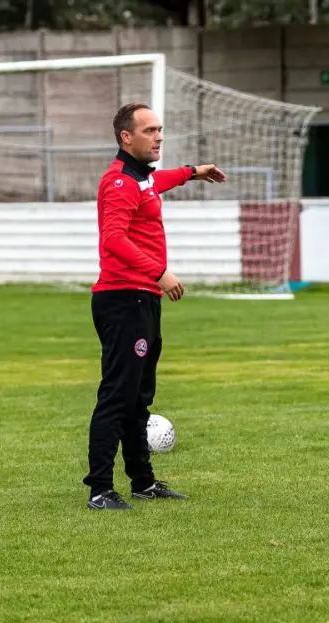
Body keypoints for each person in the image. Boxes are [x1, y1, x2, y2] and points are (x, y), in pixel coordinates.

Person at [85, 102, 226, 510]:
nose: (159, 136)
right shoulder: (119, 183)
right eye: (150, 130)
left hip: (142, 298)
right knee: (117, 394)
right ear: (126, 138)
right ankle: (99, 488)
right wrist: (159, 272)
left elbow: (157, 182)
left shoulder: (140, 178)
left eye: (160, 129)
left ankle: (143, 482)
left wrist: (192, 172)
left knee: (139, 395)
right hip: (122, 298)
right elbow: (113, 239)